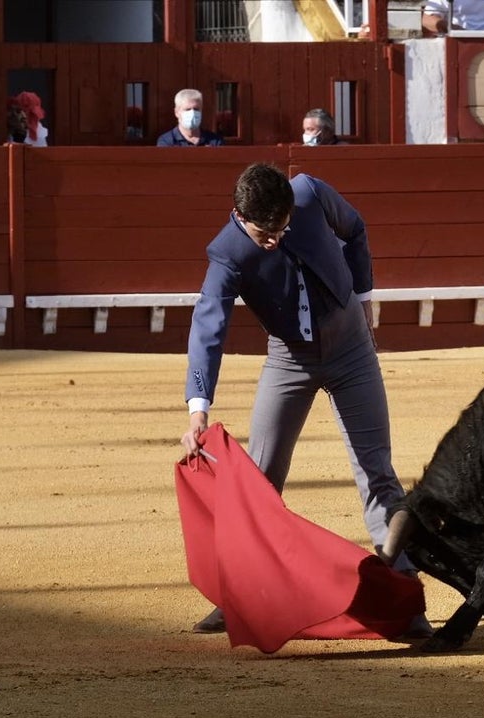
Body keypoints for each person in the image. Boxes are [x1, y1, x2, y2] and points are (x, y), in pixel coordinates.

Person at [180, 162, 431, 638]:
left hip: (352, 349)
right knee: (259, 480)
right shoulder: (228, 254)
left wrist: (364, 293)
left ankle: (406, 596)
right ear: (238, 215)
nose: (274, 240)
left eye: (282, 228)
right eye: (264, 234)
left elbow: (355, 229)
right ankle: (237, 597)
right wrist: (198, 408)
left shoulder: (310, 194)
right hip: (289, 359)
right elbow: (207, 328)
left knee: (376, 471)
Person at [157, 88, 224, 147]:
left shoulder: (215, 141)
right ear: (176, 112)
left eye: (196, 109)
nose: (193, 113)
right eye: (187, 109)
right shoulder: (166, 141)